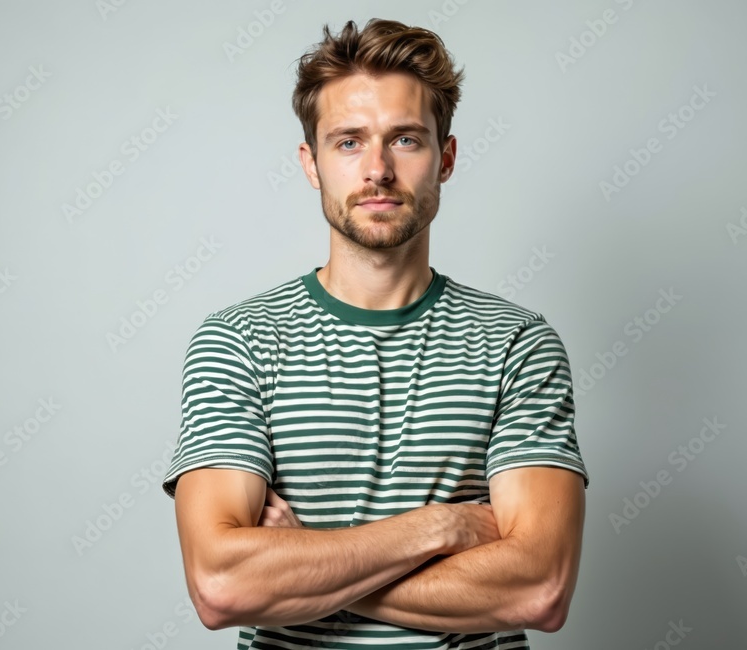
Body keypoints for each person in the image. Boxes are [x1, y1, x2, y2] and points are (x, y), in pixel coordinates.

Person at [161, 17, 589, 649]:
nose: (378, 170)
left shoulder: (516, 343)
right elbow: (223, 586)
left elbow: (539, 588)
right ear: (312, 163)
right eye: (348, 142)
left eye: (407, 140)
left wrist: (301, 561)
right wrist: (438, 529)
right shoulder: (240, 340)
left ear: (445, 158)